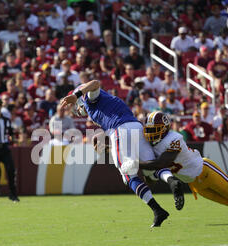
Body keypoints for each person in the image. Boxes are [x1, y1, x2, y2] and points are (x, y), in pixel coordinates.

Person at [60, 80, 183, 228]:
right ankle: (172, 181)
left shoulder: (90, 98)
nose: (76, 109)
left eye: (74, 105)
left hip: (120, 130)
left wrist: (77, 94)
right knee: (152, 167)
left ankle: (158, 211)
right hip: (136, 127)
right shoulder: (101, 102)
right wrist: (108, 145)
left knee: (127, 175)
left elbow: (95, 83)